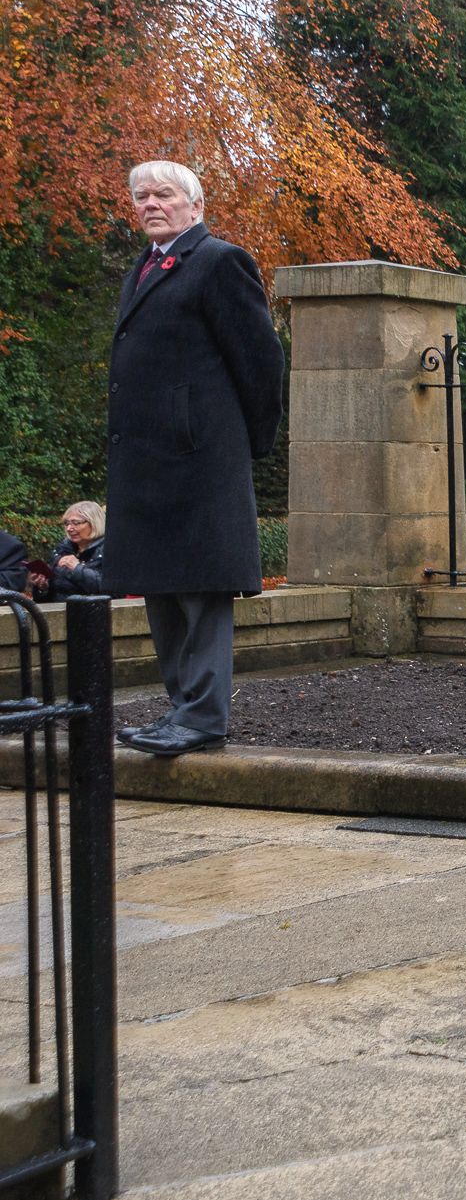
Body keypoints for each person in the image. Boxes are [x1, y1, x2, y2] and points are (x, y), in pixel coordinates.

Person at [104, 161, 285, 757]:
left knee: (201, 591)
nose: (150, 204)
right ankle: (181, 712)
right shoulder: (144, 267)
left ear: (195, 205)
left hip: (200, 459)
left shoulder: (218, 261)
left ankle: (203, 717)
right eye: (142, 196)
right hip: (150, 462)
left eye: (164, 194)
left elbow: (260, 362)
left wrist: (244, 446)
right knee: (160, 587)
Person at [28, 502, 108, 601]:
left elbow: (108, 589)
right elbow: (52, 595)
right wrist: (43, 587)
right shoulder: (62, 549)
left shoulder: (109, 551)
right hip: (57, 609)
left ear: (94, 523)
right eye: (67, 523)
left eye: (76, 523)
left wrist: (76, 568)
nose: (69, 529)